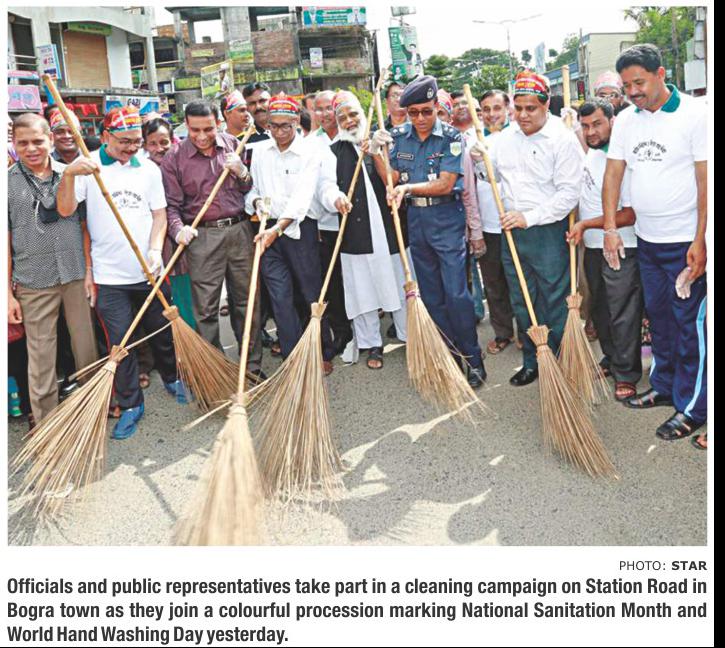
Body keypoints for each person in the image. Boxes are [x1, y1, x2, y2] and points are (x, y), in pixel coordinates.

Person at [56, 106, 184, 439]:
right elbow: (66, 210)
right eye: (124, 142)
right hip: (110, 277)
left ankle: (172, 377)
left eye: (136, 141)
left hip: (149, 272)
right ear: (105, 137)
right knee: (120, 343)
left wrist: (155, 250)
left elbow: (159, 215)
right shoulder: (89, 166)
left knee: (162, 331)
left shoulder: (148, 169)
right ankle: (130, 404)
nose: (131, 148)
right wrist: (69, 175)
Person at [602, 44, 707, 441]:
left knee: (690, 326)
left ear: (661, 74)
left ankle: (694, 406)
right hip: (648, 241)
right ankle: (664, 386)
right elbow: (613, 174)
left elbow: (706, 182)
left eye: (639, 83)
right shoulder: (626, 120)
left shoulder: (695, 114)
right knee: (659, 319)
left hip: (685, 244)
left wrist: (701, 240)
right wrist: (610, 228)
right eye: (626, 86)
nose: (633, 92)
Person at [371, 75, 486, 388]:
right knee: (431, 296)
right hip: (417, 220)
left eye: (426, 111)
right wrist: (376, 153)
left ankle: (472, 358)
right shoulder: (399, 136)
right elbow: (392, 178)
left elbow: (446, 183)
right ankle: (448, 357)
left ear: (436, 106)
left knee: (457, 294)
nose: (420, 118)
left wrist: (407, 188)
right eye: (413, 113)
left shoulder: (450, 136)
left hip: (446, 218)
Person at [469, 71, 584, 386]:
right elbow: (491, 177)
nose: (522, 115)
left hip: (547, 231)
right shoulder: (506, 138)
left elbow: (569, 194)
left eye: (531, 108)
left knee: (555, 299)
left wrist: (529, 217)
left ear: (546, 106)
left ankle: (561, 360)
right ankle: (533, 360)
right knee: (522, 300)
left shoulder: (561, 139)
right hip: (512, 231)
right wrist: (479, 161)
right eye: (518, 108)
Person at [245, 93, 350, 375]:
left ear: (296, 122)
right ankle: (292, 357)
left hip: (301, 230)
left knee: (311, 294)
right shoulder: (260, 153)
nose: (279, 132)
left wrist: (336, 199)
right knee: (280, 297)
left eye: (285, 126)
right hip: (268, 230)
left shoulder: (311, 152)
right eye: (273, 126)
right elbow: (253, 190)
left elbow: (304, 197)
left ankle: (321, 351)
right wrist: (256, 203)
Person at [160, 100, 263, 378]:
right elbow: (171, 206)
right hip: (202, 236)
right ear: (186, 126)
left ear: (218, 123)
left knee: (247, 303)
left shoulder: (233, 144)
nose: (202, 136)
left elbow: (248, 187)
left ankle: (251, 367)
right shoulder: (174, 157)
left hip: (240, 230)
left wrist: (242, 172)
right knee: (205, 309)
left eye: (208, 129)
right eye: (195, 130)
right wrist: (177, 229)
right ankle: (217, 373)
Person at [8, 113, 98, 427]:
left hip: (74, 274)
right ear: (14, 144)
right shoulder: (7, 183)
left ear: (50, 140)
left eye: (37, 141)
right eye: (23, 143)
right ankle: (45, 420)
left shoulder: (72, 173)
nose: (31, 149)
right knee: (41, 353)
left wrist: (89, 271)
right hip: (33, 279)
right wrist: (7, 295)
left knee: (85, 345)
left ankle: (92, 406)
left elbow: (79, 223)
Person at [566, 98, 642, 401]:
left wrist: (586, 225)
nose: (591, 132)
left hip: (621, 245)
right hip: (595, 246)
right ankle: (611, 359)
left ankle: (627, 374)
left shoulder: (622, 159)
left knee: (622, 312)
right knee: (600, 308)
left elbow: (629, 214)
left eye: (597, 124)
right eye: (585, 126)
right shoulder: (593, 154)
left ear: (612, 121)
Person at [331, 91, 412, 369]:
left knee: (400, 282)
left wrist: (375, 151)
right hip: (356, 235)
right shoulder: (333, 151)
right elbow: (327, 187)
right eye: (342, 117)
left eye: (353, 114)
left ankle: (409, 334)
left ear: (362, 114)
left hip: (390, 229)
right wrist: (335, 198)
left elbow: (392, 180)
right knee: (362, 291)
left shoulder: (383, 139)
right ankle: (371, 344)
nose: (349, 121)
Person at [463, 89, 519, 356]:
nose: (491, 114)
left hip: (515, 220)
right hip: (487, 223)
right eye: (485, 109)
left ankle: (527, 331)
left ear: (508, 109)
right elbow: (468, 187)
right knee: (494, 282)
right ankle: (503, 332)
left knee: (518, 280)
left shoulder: (518, 135)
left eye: (497, 108)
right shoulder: (471, 139)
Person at [311, 90, 353, 356]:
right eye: (320, 109)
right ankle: (342, 330)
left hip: (354, 222)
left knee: (355, 278)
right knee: (333, 282)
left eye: (330, 108)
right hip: (325, 224)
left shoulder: (352, 136)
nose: (326, 114)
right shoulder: (311, 143)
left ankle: (364, 327)